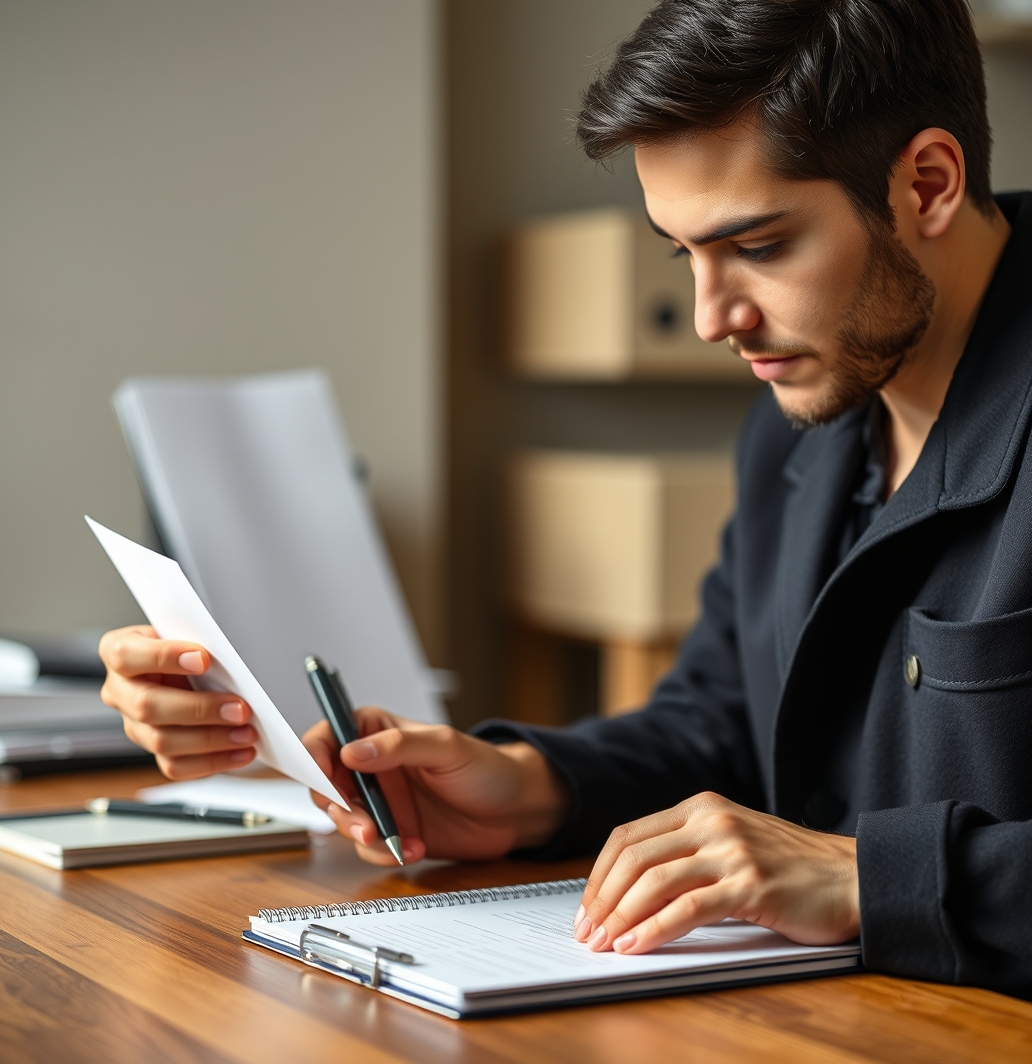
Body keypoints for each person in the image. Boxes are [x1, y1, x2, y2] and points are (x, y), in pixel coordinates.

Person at [98, 0, 1032, 997]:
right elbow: (723, 720)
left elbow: (838, 845)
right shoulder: (799, 414)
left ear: (927, 183)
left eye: (757, 245)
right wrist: (526, 788)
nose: (715, 317)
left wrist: (864, 873)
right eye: (686, 256)